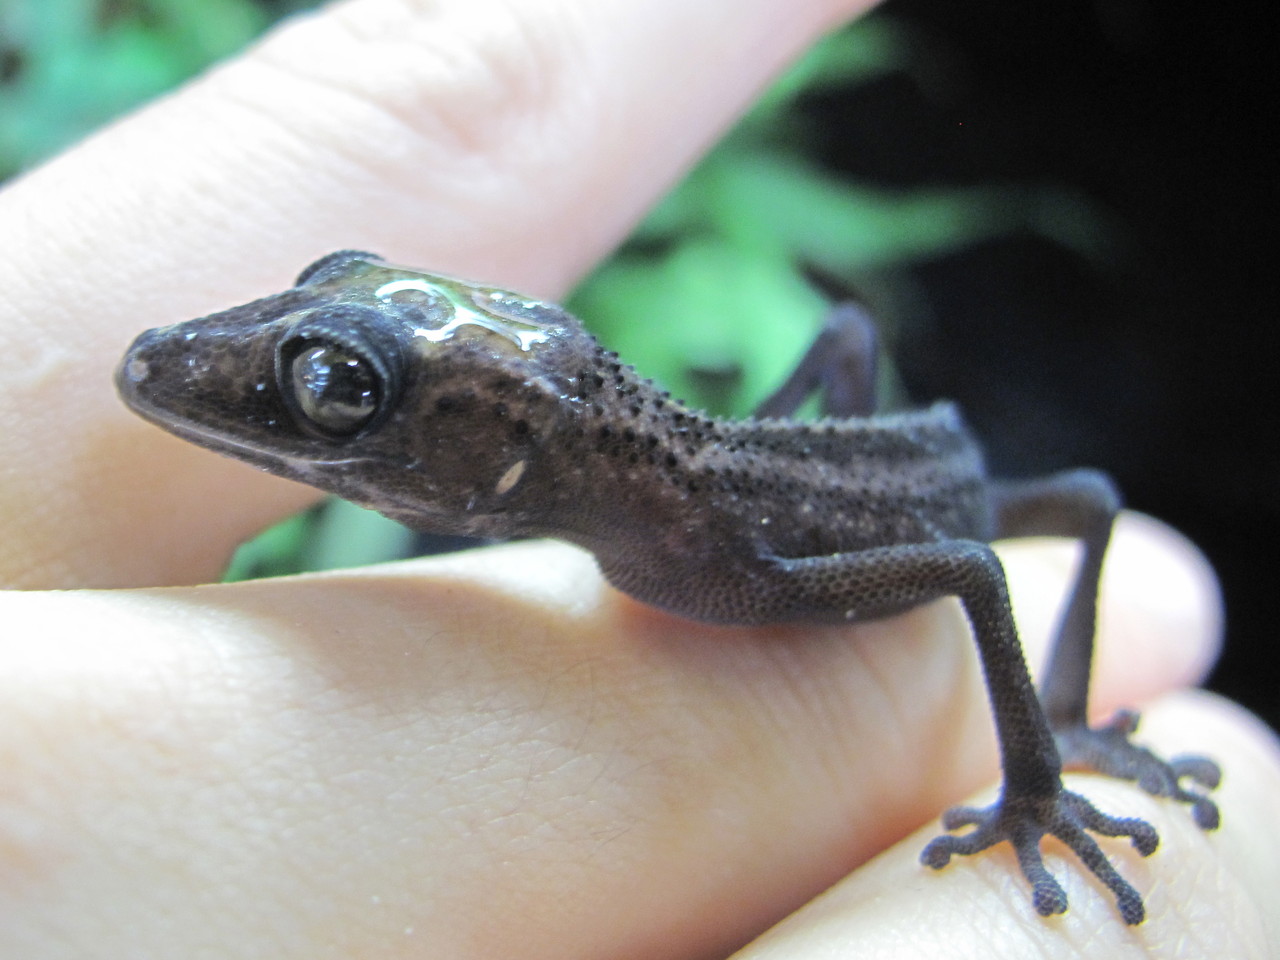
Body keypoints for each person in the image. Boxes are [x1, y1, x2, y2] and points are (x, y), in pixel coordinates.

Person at [0, 0, 1275, 956]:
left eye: (342, 385)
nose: (302, 394)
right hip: (772, 479)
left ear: (503, 448)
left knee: (1082, 503)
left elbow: (968, 569)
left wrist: (1037, 780)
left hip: (930, 482)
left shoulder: (720, 557)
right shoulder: (664, 526)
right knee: (862, 356)